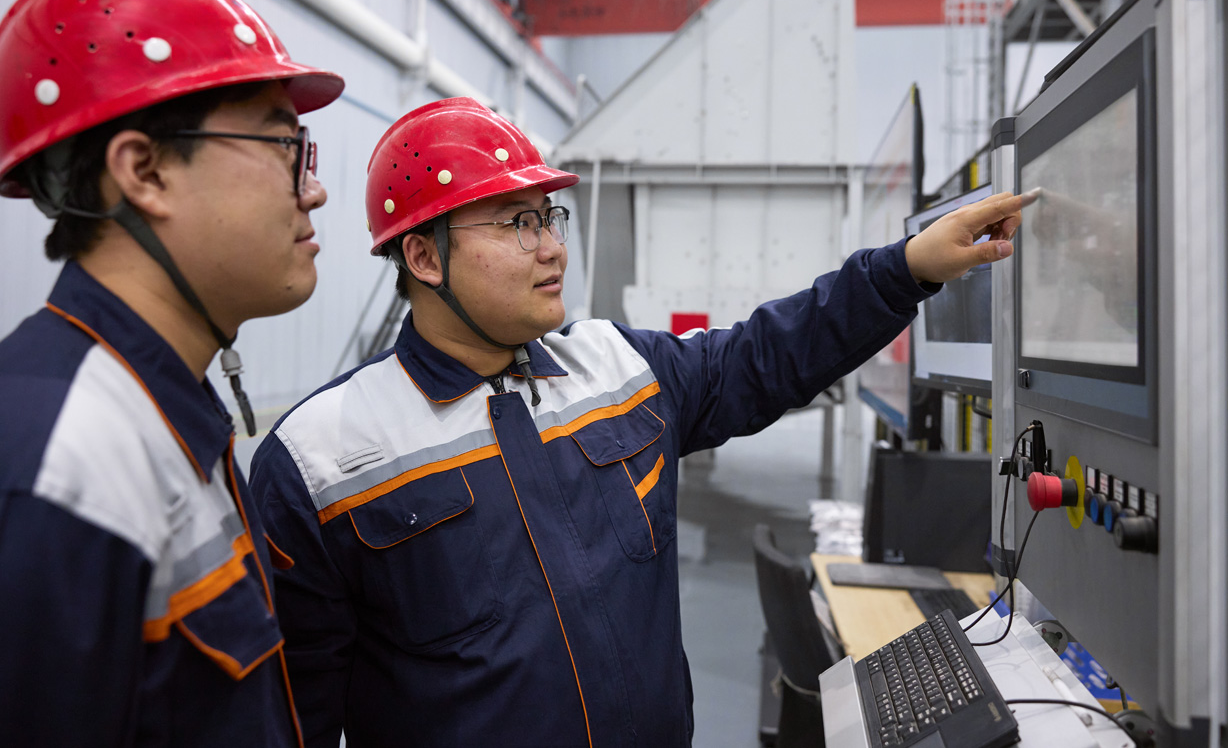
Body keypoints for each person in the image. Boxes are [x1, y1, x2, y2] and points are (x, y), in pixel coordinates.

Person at [249, 97, 1030, 747]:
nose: (553, 247)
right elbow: (298, 718)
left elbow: (764, 356)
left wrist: (907, 268)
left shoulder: (614, 366)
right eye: (517, 223)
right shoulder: (323, 459)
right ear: (424, 257)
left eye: (549, 216)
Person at [0, 0, 344, 746]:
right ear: (144, 171)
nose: (312, 188)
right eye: (286, 146)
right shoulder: (55, 468)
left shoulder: (161, 413)